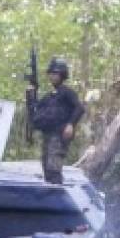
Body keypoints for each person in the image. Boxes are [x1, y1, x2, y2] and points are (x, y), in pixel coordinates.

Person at [29, 57, 85, 185]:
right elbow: (36, 109)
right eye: (51, 73)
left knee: (54, 168)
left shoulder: (67, 92)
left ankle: (56, 192)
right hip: (48, 134)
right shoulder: (50, 96)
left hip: (59, 135)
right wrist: (31, 94)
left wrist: (70, 124)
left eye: (56, 73)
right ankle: (50, 194)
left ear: (62, 75)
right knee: (46, 166)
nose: (52, 76)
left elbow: (79, 108)